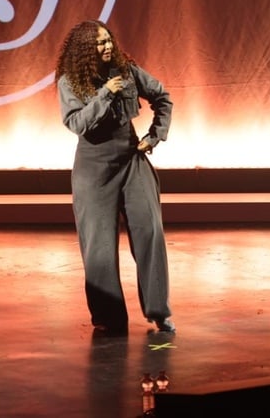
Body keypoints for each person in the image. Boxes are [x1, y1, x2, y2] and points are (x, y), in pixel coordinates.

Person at [55, 20, 175, 335]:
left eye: (110, 40)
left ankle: (159, 311)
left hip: (131, 160)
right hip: (94, 169)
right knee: (99, 247)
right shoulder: (70, 82)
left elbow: (163, 97)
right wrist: (105, 95)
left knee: (149, 232)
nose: (108, 47)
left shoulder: (127, 71)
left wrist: (155, 135)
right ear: (84, 50)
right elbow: (77, 123)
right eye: (100, 43)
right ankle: (109, 319)